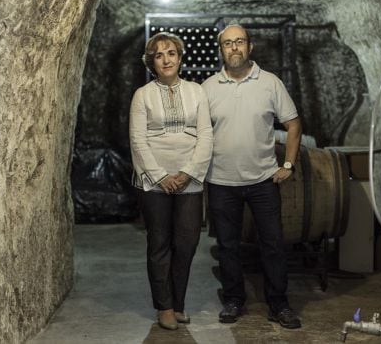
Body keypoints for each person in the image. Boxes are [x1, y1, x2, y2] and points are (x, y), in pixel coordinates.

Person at [202, 24, 303, 329]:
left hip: (263, 180)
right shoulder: (208, 87)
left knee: (272, 244)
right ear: (221, 50)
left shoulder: (270, 83)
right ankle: (234, 300)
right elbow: (197, 133)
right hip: (221, 180)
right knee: (228, 246)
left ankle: (279, 304)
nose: (234, 48)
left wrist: (288, 165)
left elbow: (294, 125)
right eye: (228, 44)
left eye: (240, 42)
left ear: (250, 47)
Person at [129, 32, 213, 330]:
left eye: (171, 53)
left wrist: (188, 172)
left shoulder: (196, 91)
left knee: (187, 242)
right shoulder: (143, 95)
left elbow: (205, 136)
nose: (166, 59)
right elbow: (138, 141)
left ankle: (179, 303)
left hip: (189, 179)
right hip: (155, 183)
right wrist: (161, 176)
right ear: (152, 61)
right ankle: (164, 306)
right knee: (160, 243)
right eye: (159, 54)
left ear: (180, 56)